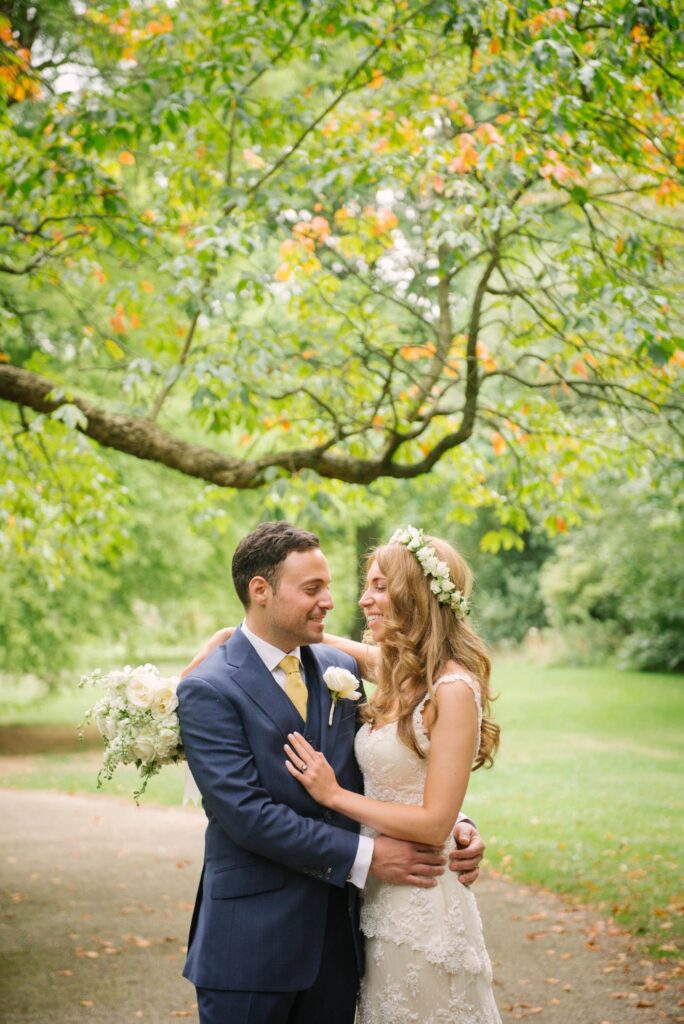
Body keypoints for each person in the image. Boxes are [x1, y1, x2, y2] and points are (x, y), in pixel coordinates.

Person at [177, 521, 485, 1024]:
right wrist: (368, 856)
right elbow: (247, 816)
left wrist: (456, 823)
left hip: (341, 948)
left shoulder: (337, 667)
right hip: (250, 948)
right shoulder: (210, 687)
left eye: (331, 586)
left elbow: (389, 763)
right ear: (261, 590)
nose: (333, 601)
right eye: (312, 588)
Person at [284, 526, 502, 1024]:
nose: (364, 600)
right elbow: (323, 642)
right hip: (379, 896)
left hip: (426, 900)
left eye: (380, 586)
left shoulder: (452, 688)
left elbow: (431, 823)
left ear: (417, 594)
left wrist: (334, 795)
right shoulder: (402, 671)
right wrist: (239, 634)